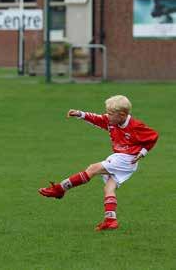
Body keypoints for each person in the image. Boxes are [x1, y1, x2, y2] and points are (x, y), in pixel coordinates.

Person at [38, 95, 158, 231]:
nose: (108, 116)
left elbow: (153, 136)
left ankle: (60, 189)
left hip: (126, 158)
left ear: (122, 115)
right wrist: (80, 114)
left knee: (93, 168)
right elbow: (97, 119)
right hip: (121, 158)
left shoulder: (135, 126)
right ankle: (110, 220)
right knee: (109, 188)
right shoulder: (111, 120)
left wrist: (142, 153)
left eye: (111, 114)